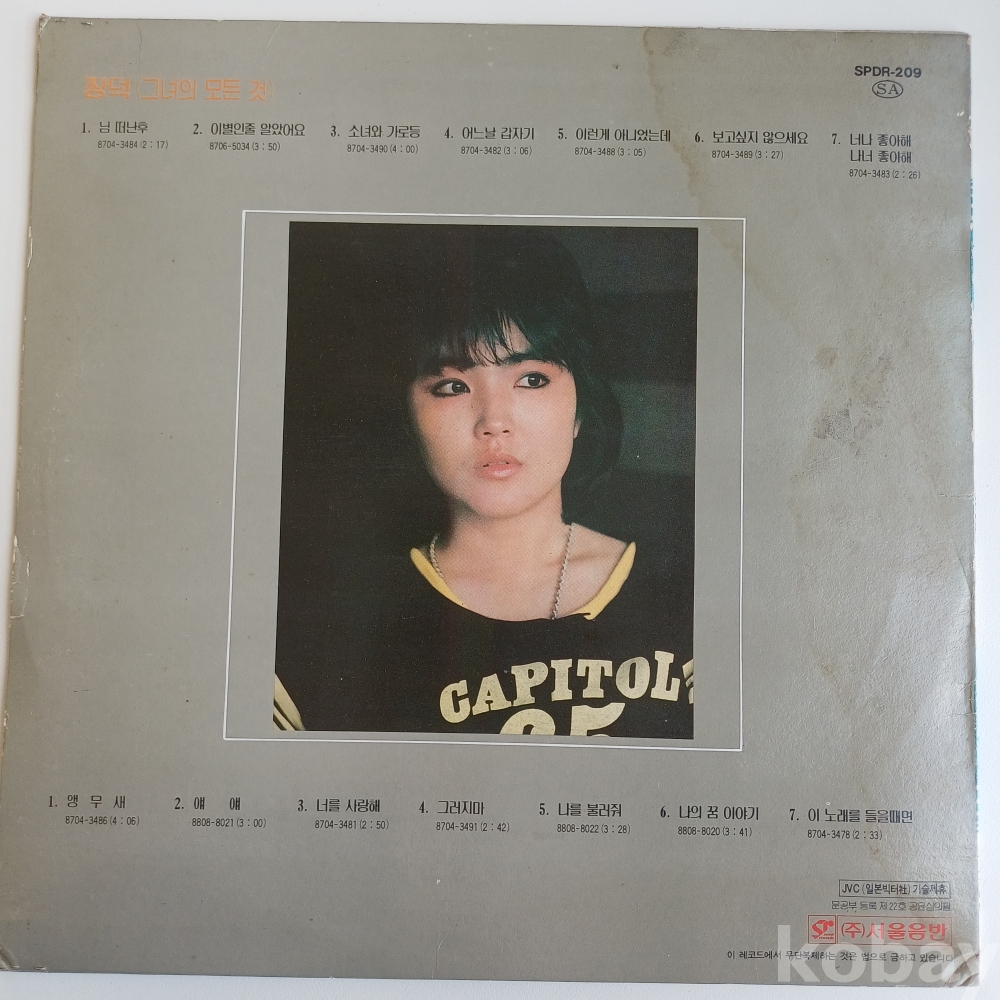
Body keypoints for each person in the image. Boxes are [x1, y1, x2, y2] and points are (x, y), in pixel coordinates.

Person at [275, 228, 693, 737]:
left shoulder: (689, 601)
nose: (494, 421)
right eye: (452, 386)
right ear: (407, 415)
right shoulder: (329, 632)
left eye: (531, 379)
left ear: (581, 407)